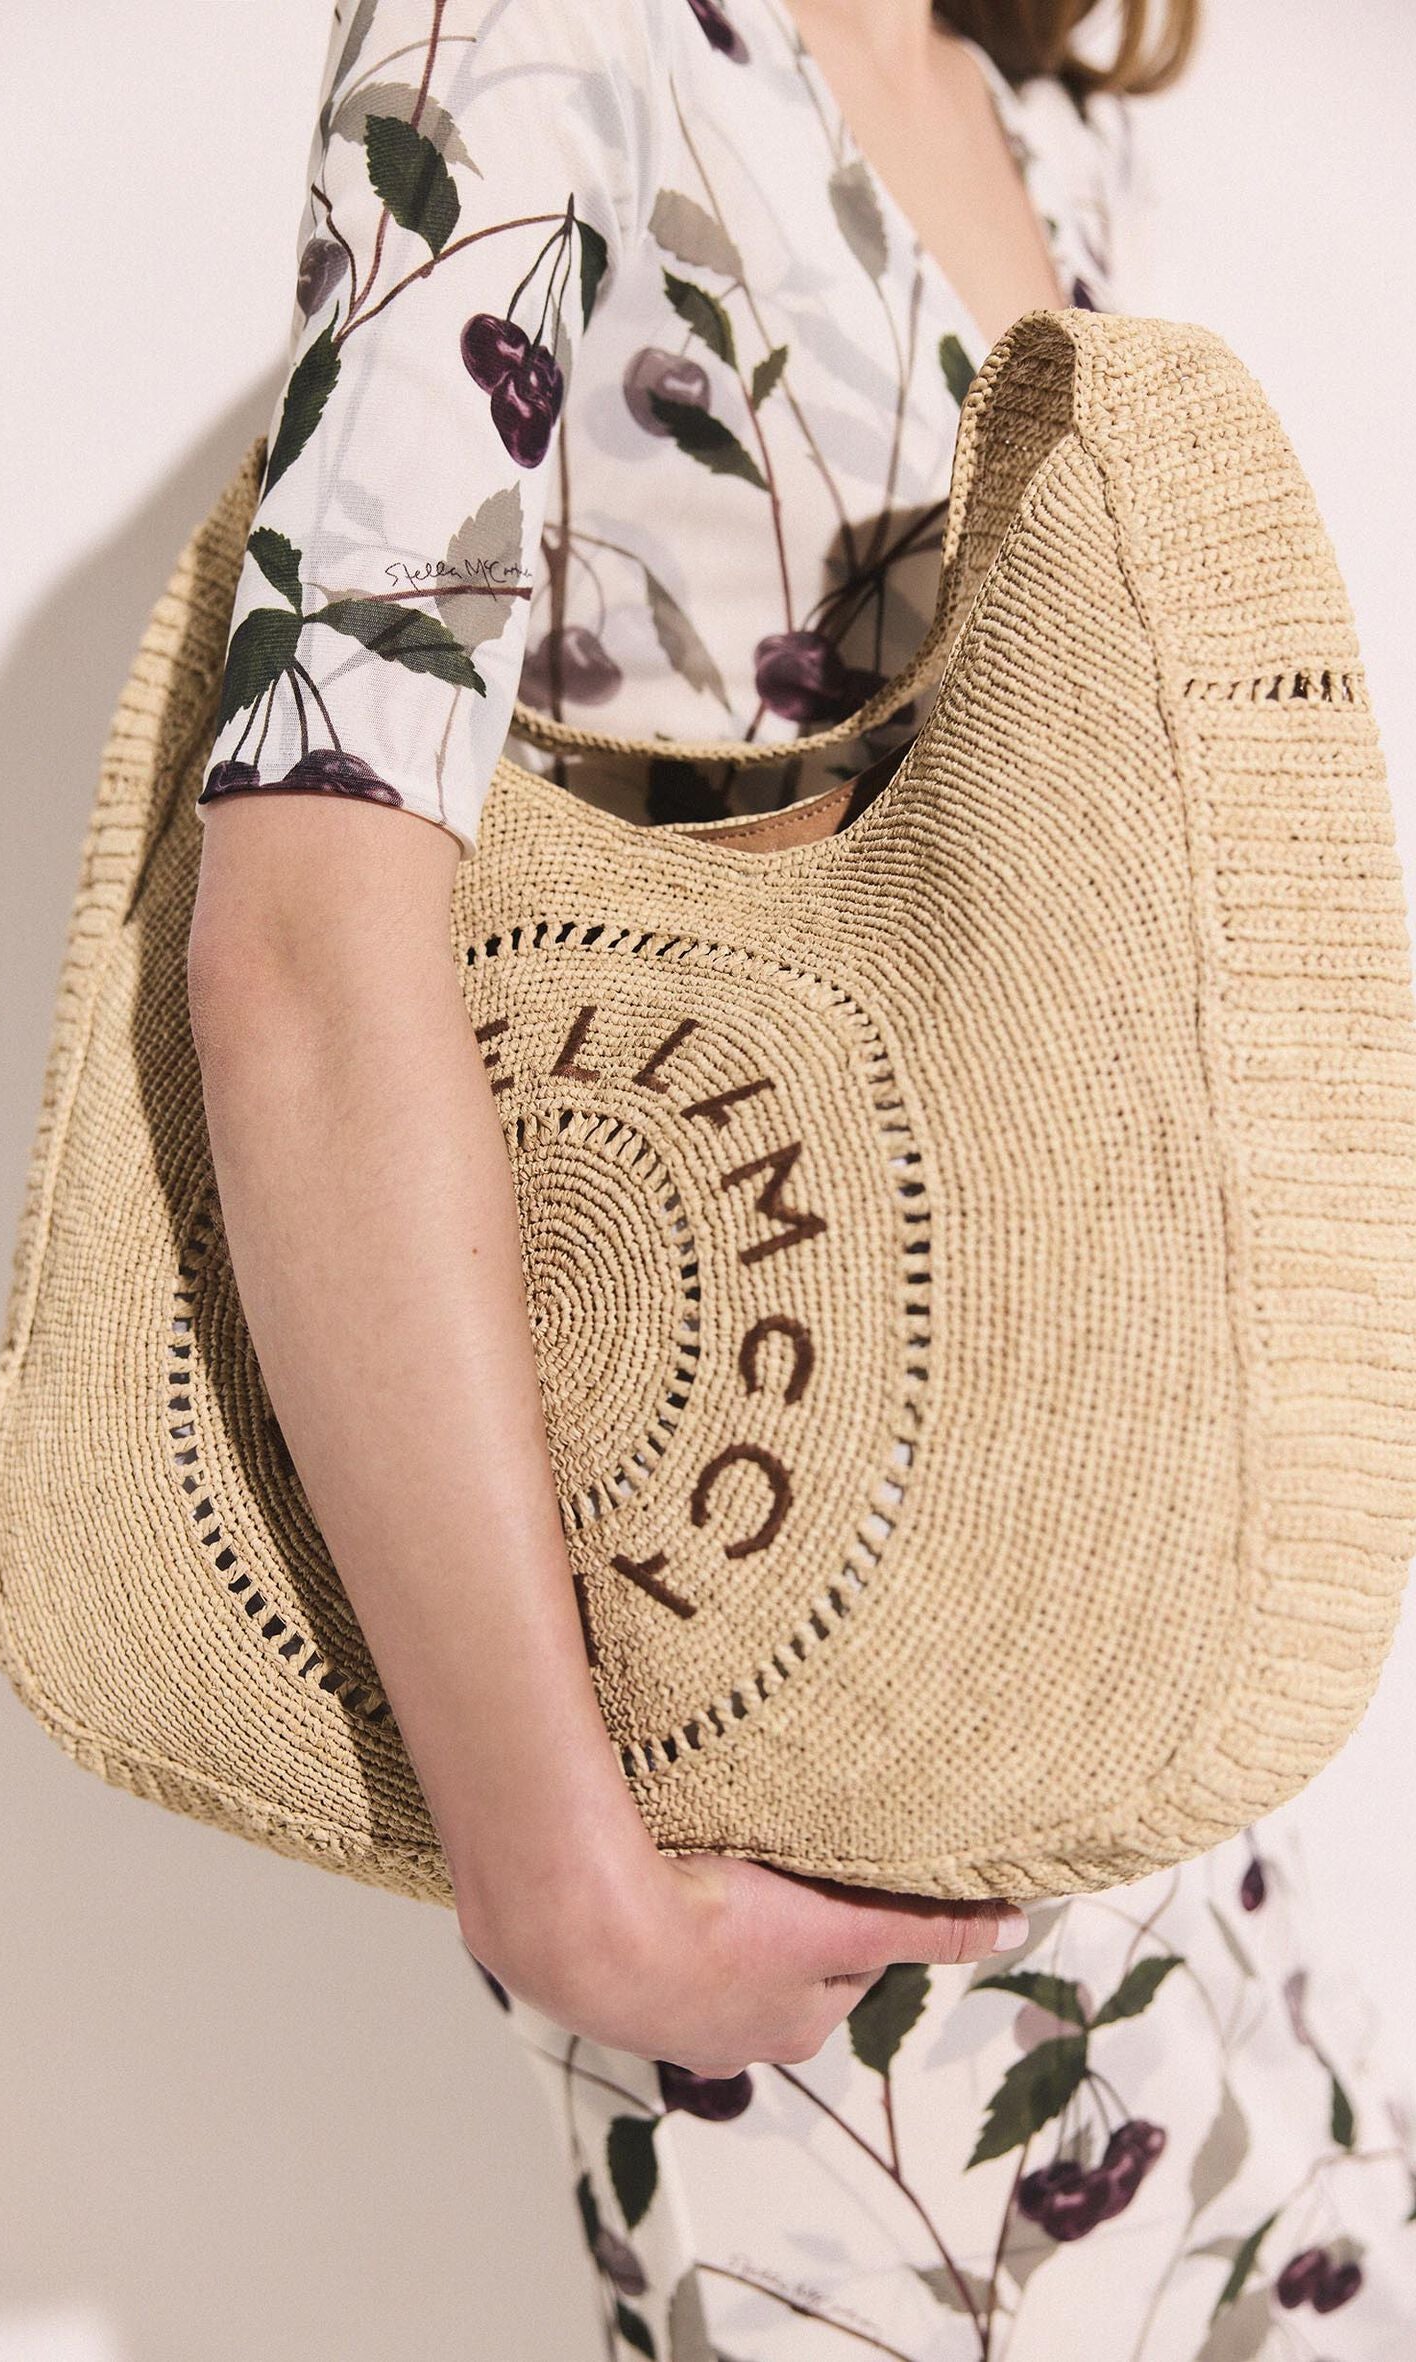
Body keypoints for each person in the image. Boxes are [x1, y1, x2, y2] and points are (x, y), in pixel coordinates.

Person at [184, 1, 1416, 2350]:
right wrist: (566, 1882)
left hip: (1121, 1735)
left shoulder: (1021, 102)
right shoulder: (531, 34)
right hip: (790, 1761)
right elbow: (307, 946)